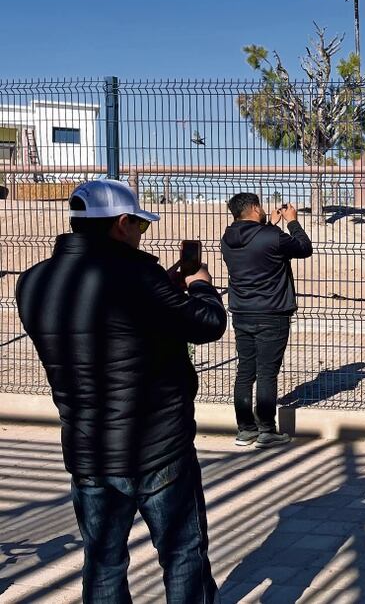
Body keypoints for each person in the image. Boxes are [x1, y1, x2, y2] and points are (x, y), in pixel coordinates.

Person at [16, 179, 227, 603]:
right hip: (157, 446)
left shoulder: (32, 282)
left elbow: (107, 323)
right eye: (140, 227)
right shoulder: (136, 274)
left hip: (88, 450)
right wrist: (200, 283)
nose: (140, 235)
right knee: (182, 552)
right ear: (121, 223)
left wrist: (163, 286)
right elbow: (208, 324)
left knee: (103, 560)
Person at [220, 193, 312, 448]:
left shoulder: (227, 239)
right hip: (272, 314)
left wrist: (268, 225)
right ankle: (267, 430)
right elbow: (304, 248)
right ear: (254, 207)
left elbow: (256, 245)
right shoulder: (271, 237)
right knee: (267, 373)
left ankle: (245, 429)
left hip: (242, 312)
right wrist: (292, 222)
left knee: (245, 372)